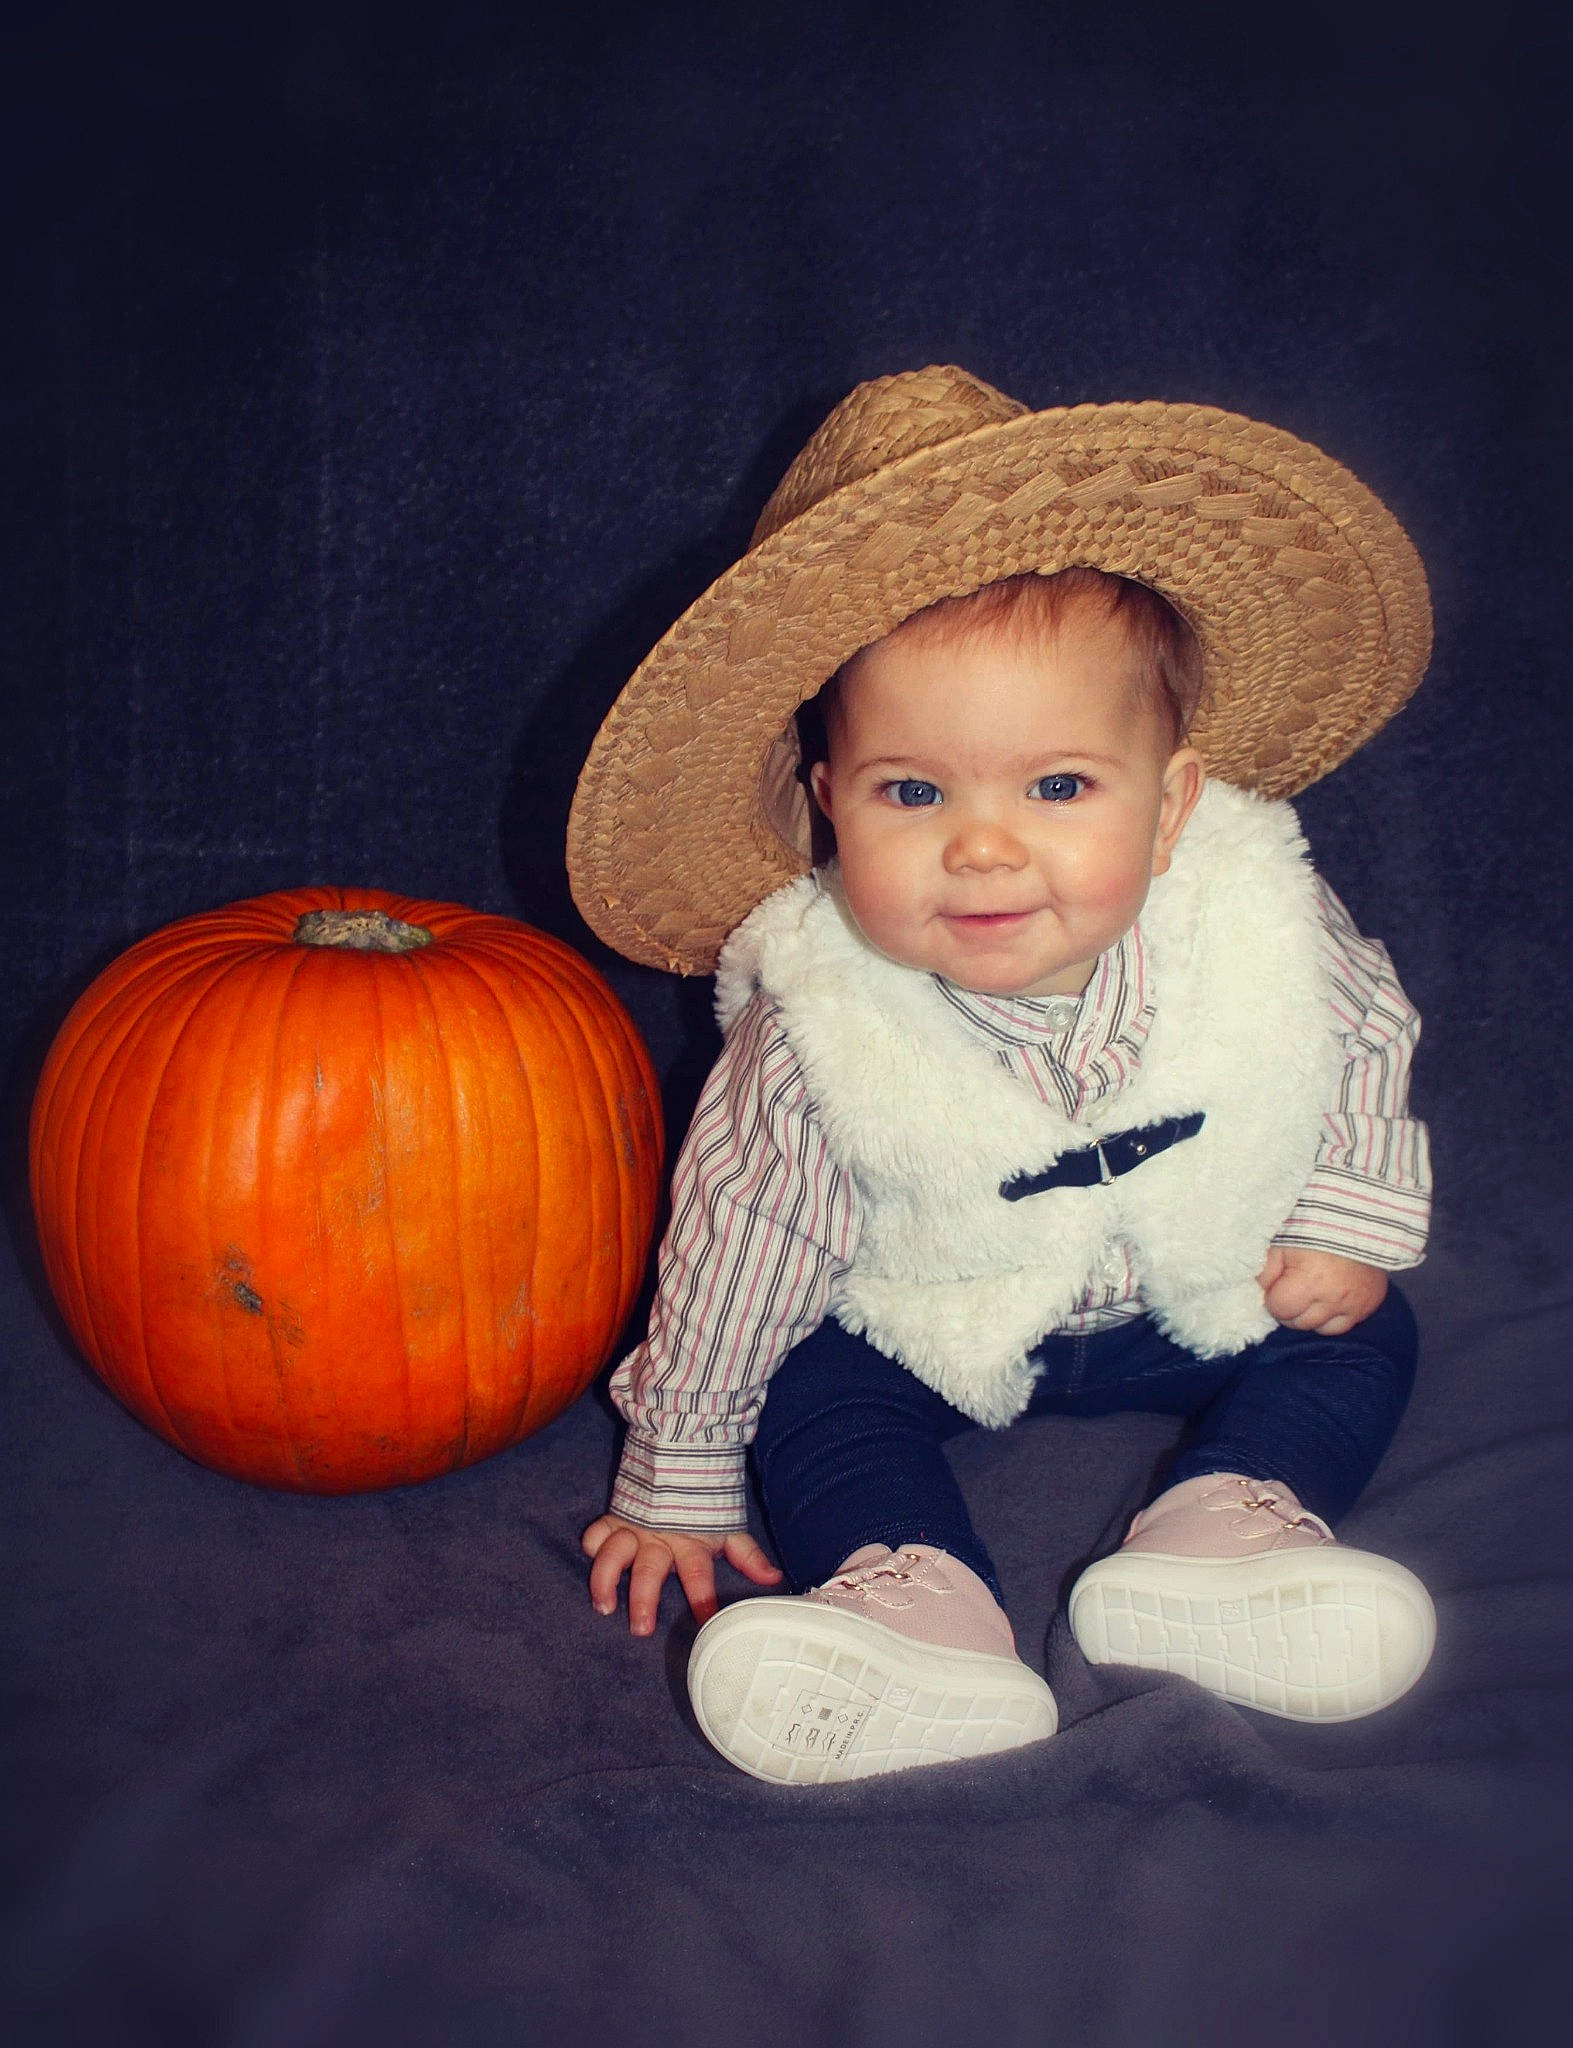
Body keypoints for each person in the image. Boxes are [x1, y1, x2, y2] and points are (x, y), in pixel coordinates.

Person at [565, 365, 1438, 1785]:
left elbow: (1361, 1029)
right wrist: (679, 1468)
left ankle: (1227, 1527)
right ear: (824, 805)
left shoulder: (1252, 907)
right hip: (930, 1313)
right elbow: (742, 1236)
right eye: (913, 792)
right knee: (815, 1393)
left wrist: (1342, 1213)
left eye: (1057, 788)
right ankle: (910, 1604)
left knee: (1364, 1333)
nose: (982, 847)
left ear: (1170, 810)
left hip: (1199, 1279)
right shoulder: (819, 1011)